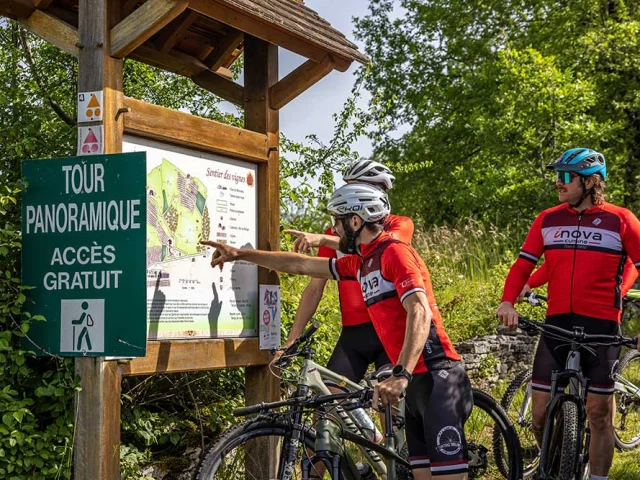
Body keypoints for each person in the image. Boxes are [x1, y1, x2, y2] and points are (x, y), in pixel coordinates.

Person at [202, 183, 472, 479]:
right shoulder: (361, 263)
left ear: (355, 221)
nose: (334, 230)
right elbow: (303, 265)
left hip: (437, 375)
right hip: (415, 382)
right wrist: (240, 253)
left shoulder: (394, 253)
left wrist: (401, 374)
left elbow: (419, 311)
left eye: (338, 222)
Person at [497, 148, 640, 480]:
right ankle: (558, 463)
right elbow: (523, 266)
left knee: (599, 414)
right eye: (557, 177)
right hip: (557, 325)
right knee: (538, 415)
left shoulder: (621, 220)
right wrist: (507, 302)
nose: (558, 184)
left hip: (601, 326)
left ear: (590, 182)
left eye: (565, 177)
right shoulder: (548, 219)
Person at [279, 159, 414, 389]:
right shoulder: (334, 232)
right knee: (327, 402)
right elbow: (314, 289)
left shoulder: (398, 224)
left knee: (389, 402)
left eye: (354, 187)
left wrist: (322, 239)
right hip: (354, 331)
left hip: (390, 327)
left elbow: (378, 246)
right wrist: (293, 338)